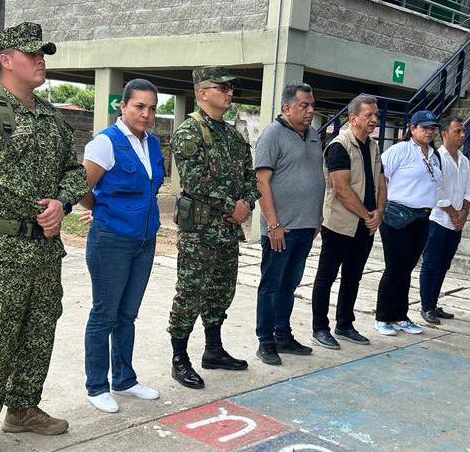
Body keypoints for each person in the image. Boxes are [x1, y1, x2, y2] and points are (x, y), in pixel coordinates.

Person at [0, 22, 86, 452]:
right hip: (1, 247)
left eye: (43, 54)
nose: (40, 60)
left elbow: (75, 170)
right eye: (31, 54)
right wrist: (42, 208)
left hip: (45, 247)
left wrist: (62, 204)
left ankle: (22, 407)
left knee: (39, 329)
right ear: (6, 60)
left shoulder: (52, 117)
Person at [169, 66, 259, 389]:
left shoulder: (233, 136)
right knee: (190, 293)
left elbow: (251, 177)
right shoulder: (189, 133)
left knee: (222, 291)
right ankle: (179, 358)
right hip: (200, 233)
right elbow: (194, 181)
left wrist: (247, 203)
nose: (229, 93)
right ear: (202, 92)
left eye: (231, 88)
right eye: (222, 87)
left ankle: (214, 349)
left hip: (227, 231)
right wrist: (230, 205)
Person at [80, 79, 165, 413]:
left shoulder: (153, 143)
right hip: (111, 241)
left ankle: (125, 379)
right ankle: (97, 385)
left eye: (152, 108)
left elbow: (150, 189)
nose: (146, 114)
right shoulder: (106, 143)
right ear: (123, 106)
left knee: (127, 315)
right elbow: (83, 188)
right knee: (104, 313)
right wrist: (101, 211)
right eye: (139, 106)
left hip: (144, 240)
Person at [253, 82, 324, 365]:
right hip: (281, 230)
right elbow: (261, 182)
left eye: (311, 105)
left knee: (289, 285)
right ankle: (265, 341)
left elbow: (313, 177)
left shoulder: (314, 135)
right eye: (303, 106)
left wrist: (316, 218)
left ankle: (283, 335)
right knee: (271, 286)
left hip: (305, 227)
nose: (309, 111)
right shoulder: (272, 135)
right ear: (286, 108)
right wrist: (273, 225)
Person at [310, 95, 384, 350]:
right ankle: (320, 327)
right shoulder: (339, 146)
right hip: (340, 224)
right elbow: (341, 189)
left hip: (366, 225)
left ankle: (345, 324)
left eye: (376, 115)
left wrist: (379, 212)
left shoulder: (373, 146)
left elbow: (381, 181)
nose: (374, 119)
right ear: (353, 118)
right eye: (368, 115)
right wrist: (368, 215)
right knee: (326, 276)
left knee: (353, 276)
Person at [375, 110, 443, 336]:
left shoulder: (434, 155)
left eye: (432, 128)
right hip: (397, 214)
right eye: (424, 127)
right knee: (394, 267)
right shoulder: (400, 150)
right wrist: (379, 206)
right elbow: (380, 176)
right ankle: (383, 316)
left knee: (407, 268)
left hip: (422, 217)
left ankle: (400, 315)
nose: (429, 131)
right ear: (412, 129)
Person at [418, 116, 470, 325]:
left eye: (463, 131)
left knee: (444, 264)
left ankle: (434, 302)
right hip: (438, 220)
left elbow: (468, 189)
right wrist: (453, 211)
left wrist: (463, 212)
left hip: (456, 222)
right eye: (457, 131)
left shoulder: (464, 160)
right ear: (444, 134)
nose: (462, 135)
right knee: (431, 264)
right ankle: (426, 306)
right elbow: (437, 190)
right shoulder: (436, 158)